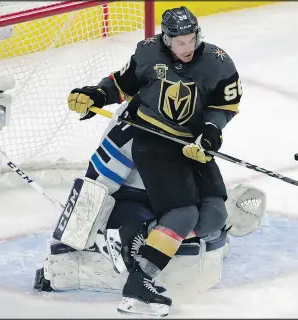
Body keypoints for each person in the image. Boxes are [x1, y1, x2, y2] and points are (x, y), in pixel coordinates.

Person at [63, 6, 245, 316]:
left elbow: (224, 105)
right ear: (167, 39)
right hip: (152, 140)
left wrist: (211, 134)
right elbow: (121, 85)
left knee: (214, 215)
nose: (187, 48)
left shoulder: (218, 61)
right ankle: (140, 282)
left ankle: (155, 238)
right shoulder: (148, 54)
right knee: (183, 212)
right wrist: (95, 93)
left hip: (192, 143)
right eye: (180, 43)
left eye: (192, 40)